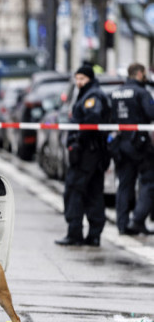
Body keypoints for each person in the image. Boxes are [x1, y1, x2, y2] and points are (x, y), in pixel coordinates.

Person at [55, 65, 111, 246]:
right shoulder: (89, 94)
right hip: (94, 153)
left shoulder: (92, 96)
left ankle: (75, 233)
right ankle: (94, 235)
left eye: (82, 79)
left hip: (87, 153)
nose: (79, 82)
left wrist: (77, 142)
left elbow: (91, 120)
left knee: (74, 191)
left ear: (90, 79)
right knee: (93, 192)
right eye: (77, 79)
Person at [111, 63, 154, 235]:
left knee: (124, 184)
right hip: (140, 145)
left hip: (121, 144)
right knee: (149, 181)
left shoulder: (116, 92)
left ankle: (122, 224)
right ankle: (137, 220)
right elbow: (151, 113)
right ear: (139, 74)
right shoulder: (141, 92)